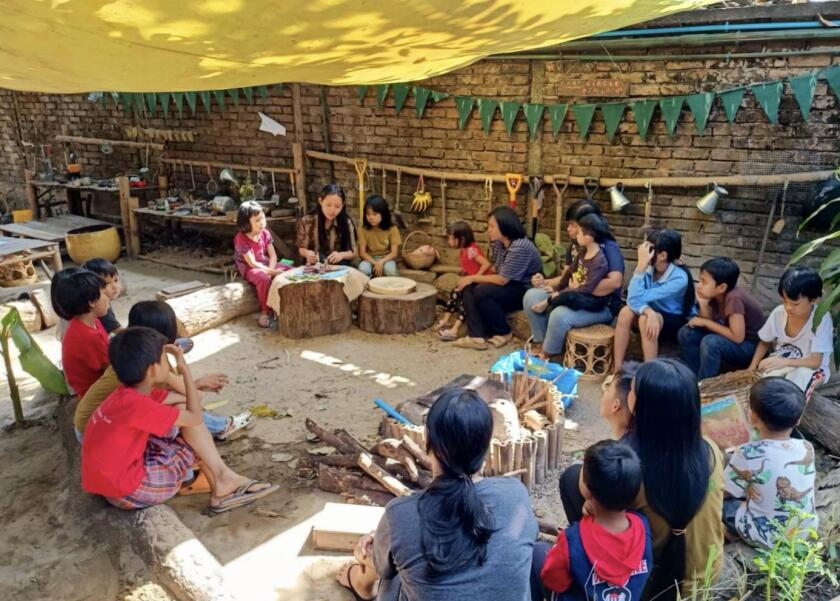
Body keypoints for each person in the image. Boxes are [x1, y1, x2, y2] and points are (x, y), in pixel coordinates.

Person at [336, 387, 538, 601]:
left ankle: (360, 584)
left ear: (426, 439)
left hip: (394, 547)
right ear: (486, 448)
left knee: (392, 574)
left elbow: (386, 565)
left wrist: (368, 556)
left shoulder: (400, 515)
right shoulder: (515, 494)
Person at [81, 327, 278, 512]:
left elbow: (187, 402)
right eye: (164, 359)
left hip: (111, 482)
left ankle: (222, 481)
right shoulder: (138, 406)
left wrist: (193, 388)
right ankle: (223, 482)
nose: (168, 362)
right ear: (152, 370)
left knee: (183, 420)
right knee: (191, 440)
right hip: (128, 491)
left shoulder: (126, 396)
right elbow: (195, 417)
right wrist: (183, 370)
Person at [74, 300, 252, 444]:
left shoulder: (135, 351)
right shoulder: (149, 363)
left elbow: (171, 388)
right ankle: (222, 426)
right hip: (96, 434)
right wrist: (193, 383)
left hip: (93, 425)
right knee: (181, 408)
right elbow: (191, 397)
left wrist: (192, 386)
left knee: (178, 401)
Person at [532, 440, 652, 601]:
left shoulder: (571, 540)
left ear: (587, 490)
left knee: (537, 553)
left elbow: (553, 580)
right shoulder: (642, 527)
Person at [722, 377, 817, 548]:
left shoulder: (747, 452)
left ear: (753, 417)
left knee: (722, 503)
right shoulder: (806, 446)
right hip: (804, 531)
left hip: (765, 536)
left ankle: (731, 533)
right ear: (798, 419)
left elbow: (723, 493)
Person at [523, 200, 625, 358]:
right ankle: (542, 343)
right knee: (532, 296)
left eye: (572, 225)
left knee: (559, 314)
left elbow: (615, 282)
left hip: (600, 305)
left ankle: (551, 353)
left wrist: (578, 286)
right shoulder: (577, 246)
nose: (568, 229)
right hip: (575, 292)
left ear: (588, 228)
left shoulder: (608, 248)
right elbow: (567, 275)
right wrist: (545, 282)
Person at [558, 362, 639, 523]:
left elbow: (585, 486)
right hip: (638, 527)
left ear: (616, 406)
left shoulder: (624, 450)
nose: (604, 391)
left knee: (571, 476)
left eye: (608, 388)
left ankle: (582, 538)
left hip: (622, 525)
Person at [453, 206, 542, 350]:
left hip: (524, 290)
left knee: (482, 290)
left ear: (505, 226)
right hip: (508, 286)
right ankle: (476, 336)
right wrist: (473, 273)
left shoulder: (520, 246)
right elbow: (497, 268)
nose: (489, 230)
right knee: (469, 287)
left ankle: (504, 332)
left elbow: (502, 279)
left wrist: (473, 277)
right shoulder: (499, 243)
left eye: (492, 226)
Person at [614, 229, 695, 371]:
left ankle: (649, 373)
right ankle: (617, 368)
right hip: (650, 311)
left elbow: (639, 297)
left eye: (649, 249)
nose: (643, 251)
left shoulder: (679, 278)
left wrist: (639, 268)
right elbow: (632, 300)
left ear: (663, 255)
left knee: (644, 320)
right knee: (625, 312)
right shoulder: (649, 268)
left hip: (673, 320)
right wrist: (649, 311)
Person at [678, 257, 765, 380]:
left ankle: (704, 385)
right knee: (686, 333)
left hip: (750, 347)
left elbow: (737, 337)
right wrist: (703, 304)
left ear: (721, 287)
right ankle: (693, 377)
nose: (699, 285)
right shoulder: (715, 295)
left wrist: (704, 321)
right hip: (729, 339)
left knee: (711, 342)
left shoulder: (734, 298)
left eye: (704, 282)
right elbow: (709, 323)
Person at [748, 267, 833, 392]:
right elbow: (764, 342)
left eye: (795, 304)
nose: (788, 308)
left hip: (812, 369)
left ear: (813, 300)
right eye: (784, 301)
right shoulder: (778, 313)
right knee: (765, 383)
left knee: (799, 377)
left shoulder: (821, 318)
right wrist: (752, 367)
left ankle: (791, 408)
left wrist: (785, 362)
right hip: (780, 363)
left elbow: (816, 362)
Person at [529, 214, 611, 317]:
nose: (577, 235)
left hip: (592, 300)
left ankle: (549, 301)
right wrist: (558, 288)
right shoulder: (582, 252)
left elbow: (588, 289)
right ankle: (555, 299)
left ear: (588, 238)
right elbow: (570, 271)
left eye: (580, 233)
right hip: (577, 290)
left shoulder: (599, 262)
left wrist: (566, 291)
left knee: (569, 297)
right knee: (560, 302)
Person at [53, 268, 111, 397]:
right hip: (95, 396)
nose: (108, 298)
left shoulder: (86, 322)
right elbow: (112, 370)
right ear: (91, 302)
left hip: (95, 388)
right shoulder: (89, 337)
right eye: (103, 294)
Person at [435, 221, 492, 341]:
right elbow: (469, 265)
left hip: (481, 282)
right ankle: (445, 320)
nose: (450, 242)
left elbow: (486, 264)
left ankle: (455, 329)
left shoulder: (471, 250)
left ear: (461, 238)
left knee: (464, 299)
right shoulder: (463, 250)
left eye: (451, 239)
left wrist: (475, 277)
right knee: (455, 291)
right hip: (472, 280)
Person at [234, 201, 287, 328]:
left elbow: (273, 255)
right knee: (263, 278)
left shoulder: (265, 233)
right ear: (246, 223)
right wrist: (271, 273)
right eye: (257, 220)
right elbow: (252, 263)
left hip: (265, 263)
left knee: (289, 269)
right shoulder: (241, 238)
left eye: (263, 218)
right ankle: (265, 312)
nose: (262, 222)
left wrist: (272, 269)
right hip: (249, 268)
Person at [55, 259, 122, 340]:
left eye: (116, 280)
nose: (115, 286)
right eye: (106, 284)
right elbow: (118, 331)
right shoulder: (99, 310)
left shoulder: (92, 311)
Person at [296, 183, 356, 267]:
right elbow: (301, 248)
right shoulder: (307, 221)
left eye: (337, 206)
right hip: (315, 265)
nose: (332, 210)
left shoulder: (346, 222)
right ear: (320, 201)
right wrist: (307, 253)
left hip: (339, 266)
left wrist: (341, 255)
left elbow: (353, 252)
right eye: (328, 205)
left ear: (343, 204)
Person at [358, 194, 401, 278]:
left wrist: (381, 262)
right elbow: (362, 253)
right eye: (368, 214)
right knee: (363, 270)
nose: (370, 217)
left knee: (390, 270)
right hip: (369, 258)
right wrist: (375, 263)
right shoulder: (362, 229)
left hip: (387, 258)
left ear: (383, 214)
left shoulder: (392, 229)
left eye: (374, 214)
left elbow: (394, 253)